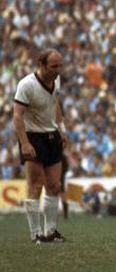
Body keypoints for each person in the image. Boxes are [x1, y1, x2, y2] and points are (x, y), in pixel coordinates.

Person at [13, 48, 69, 243]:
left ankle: (51, 231)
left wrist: (62, 129)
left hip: (52, 136)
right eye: (54, 66)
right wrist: (25, 143)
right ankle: (35, 233)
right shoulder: (26, 85)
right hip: (33, 137)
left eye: (60, 66)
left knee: (54, 185)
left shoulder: (56, 80)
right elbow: (17, 115)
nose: (58, 70)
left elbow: (55, 104)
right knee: (35, 185)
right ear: (41, 65)